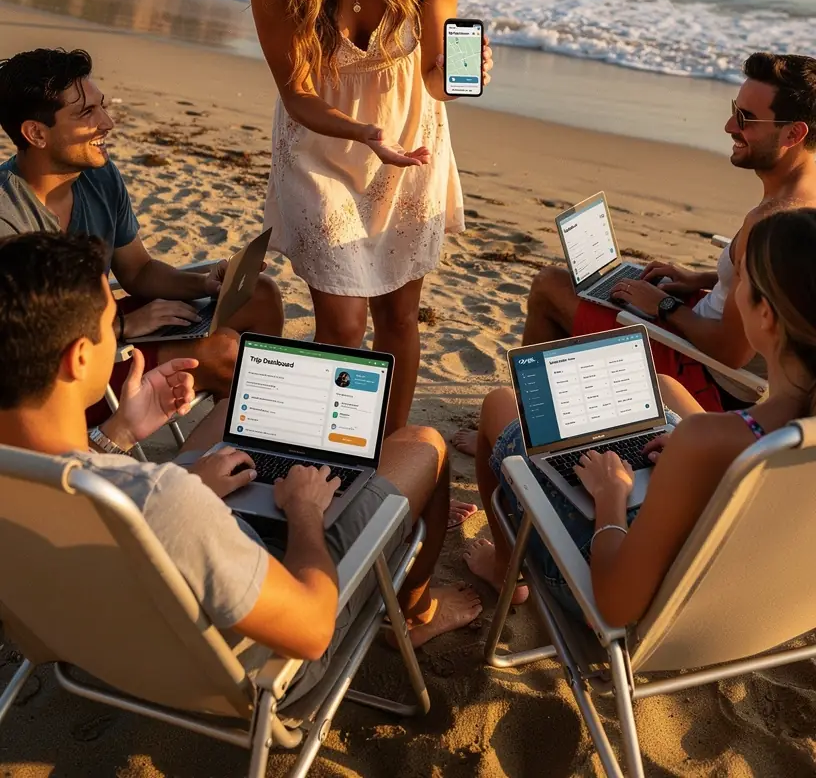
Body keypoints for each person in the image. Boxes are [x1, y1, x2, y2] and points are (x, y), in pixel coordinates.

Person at [0, 231, 483, 691]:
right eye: (112, 327)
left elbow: (94, 501)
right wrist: (304, 511)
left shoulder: (37, 483)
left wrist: (116, 435)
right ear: (79, 359)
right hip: (246, 672)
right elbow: (312, 630)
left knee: (236, 416)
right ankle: (417, 612)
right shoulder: (165, 500)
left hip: (96, 639)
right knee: (423, 442)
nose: (120, 341)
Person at [249, 0, 491, 473]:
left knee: (400, 315)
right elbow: (297, 93)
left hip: (409, 149)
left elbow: (438, 75)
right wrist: (361, 134)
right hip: (322, 148)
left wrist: (466, 76)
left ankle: (387, 452)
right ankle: (333, 453)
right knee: (344, 322)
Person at [453, 53, 816, 455]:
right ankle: (566, 411)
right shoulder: (802, 201)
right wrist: (704, 278)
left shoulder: (771, 218)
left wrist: (662, 306)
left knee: (548, 288)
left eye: (746, 119)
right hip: (706, 325)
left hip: (705, 376)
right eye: (734, 111)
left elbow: (730, 352)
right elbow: (772, 282)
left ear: (792, 134)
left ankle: (531, 435)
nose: (730, 126)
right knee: (594, 286)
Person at [469, 206, 816, 623]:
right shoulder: (782, 439)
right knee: (666, 392)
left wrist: (610, 496)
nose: (731, 290)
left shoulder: (707, 439)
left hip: (651, 602)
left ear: (765, 315)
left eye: (741, 279)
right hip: (750, 603)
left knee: (500, 403)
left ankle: (505, 568)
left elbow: (616, 605)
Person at [0, 47, 284, 414]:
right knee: (224, 353)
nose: (108, 122)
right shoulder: (9, 216)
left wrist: (207, 284)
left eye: (102, 105)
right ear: (36, 133)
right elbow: (22, 344)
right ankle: (232, 437)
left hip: (99, 336)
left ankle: (246, 429)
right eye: (87, 112)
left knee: (259, 294)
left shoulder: (99, 176)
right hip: (49, 383)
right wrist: (122, 325)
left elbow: (138, 271)